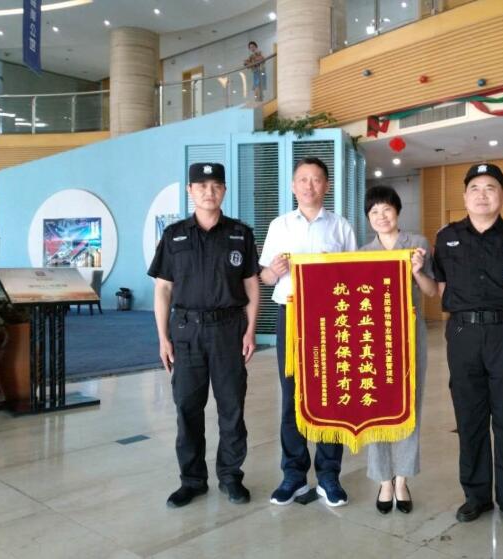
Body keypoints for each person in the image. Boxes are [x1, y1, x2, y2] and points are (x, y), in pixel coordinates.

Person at [432, 163, 503, 530]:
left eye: (490, 188)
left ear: (502, 195)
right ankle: (476, 497)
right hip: (463, 335)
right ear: (465, 196)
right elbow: (441, 287)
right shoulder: (447, 238)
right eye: (475, 188)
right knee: (469, 418)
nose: (482, 195)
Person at [149, 162, 260, 508]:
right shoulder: (174, 236)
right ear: (190, 191)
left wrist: (250, 330)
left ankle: (230, 477)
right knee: (187, 408)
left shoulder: (240, 233)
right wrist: (163, 338)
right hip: (186, 332)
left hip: (229, 330)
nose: (209, 192)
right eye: (201, 186)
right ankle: (192, 480)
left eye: (215, 186)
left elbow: (252, 285)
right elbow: (163, 289)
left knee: (231, 407)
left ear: (224, 190)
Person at [259, 157, 358, 507]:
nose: (309, 185)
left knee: (330, 395)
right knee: (292, 396)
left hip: (331, 318)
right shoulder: (279, 225)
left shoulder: (341, 226)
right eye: (303, 179)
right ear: (293, 186)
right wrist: (273, 271)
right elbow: (265, 277)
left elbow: (355, 277)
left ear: (326, 186)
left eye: (316, 179)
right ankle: (294, 475)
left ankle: (329, 475)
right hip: (291, 315)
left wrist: (336, 270)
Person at [361, 186, 437, 514]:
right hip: (373, 339)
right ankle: (384, 480)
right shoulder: (363, 253)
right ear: (368, 218)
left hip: (409, 337)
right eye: (374, 212)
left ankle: (403, 479)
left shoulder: (417, 244)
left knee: (409, 407)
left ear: (398, 211)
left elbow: (431, 292)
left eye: (387, 209)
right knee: (375, 409)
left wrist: (417, 270)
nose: (381, 216)